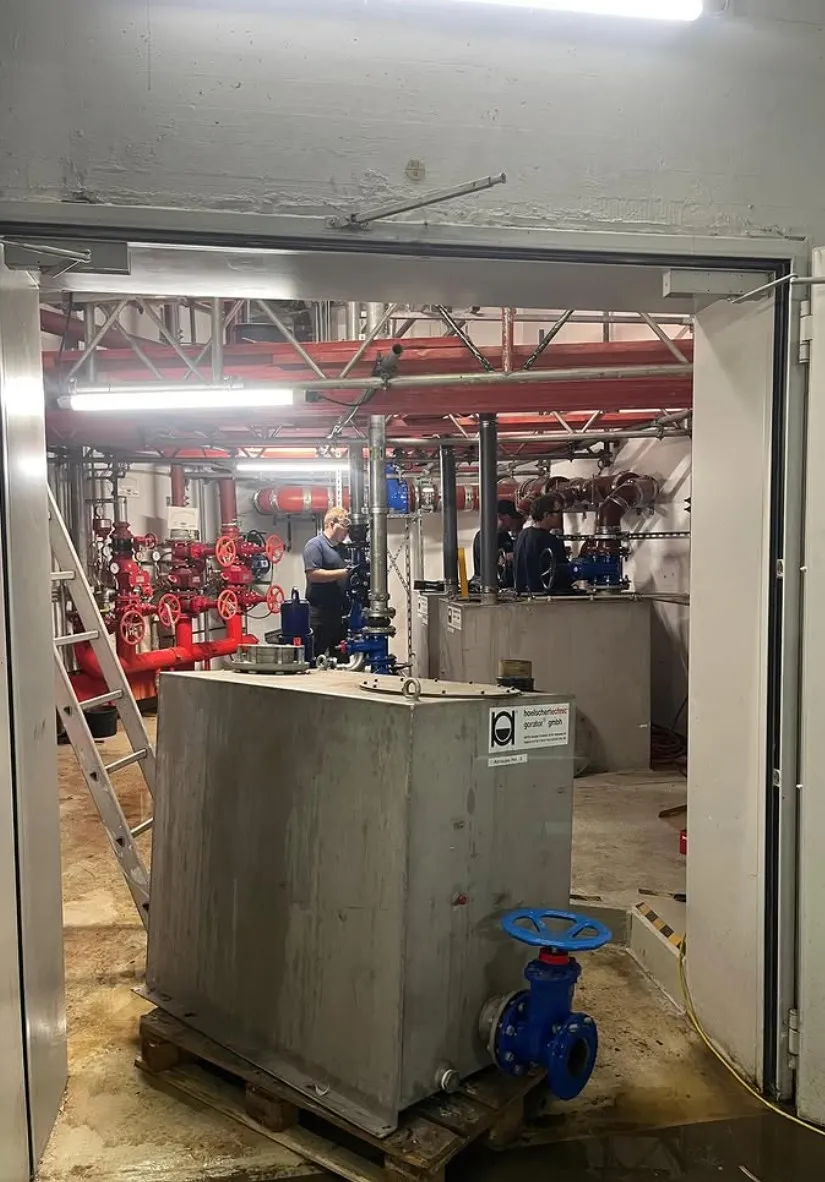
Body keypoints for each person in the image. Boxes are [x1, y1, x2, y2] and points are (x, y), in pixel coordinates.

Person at [303, 506, 351, 658]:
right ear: (331, 524)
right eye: (343, 527)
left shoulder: (344, 549)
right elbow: (313, 574)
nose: (346, 532)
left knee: (342, 659)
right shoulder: (315, 545)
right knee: (315, 657)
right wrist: (345, 573)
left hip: (341, 614)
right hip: (319, 615)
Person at [513, 494, 574, 595]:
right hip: (545, 599)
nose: (561, 515)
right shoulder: (549, 540)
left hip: (524, 596)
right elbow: (562, 574)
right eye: (558, 512)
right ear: (546, 515)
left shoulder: (522, 535)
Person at [472, 499, 523, 587]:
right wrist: (510, 556)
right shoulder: (486, 536)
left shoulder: (504, 535)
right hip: (490, 585)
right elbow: (495, 561)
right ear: (501, 517)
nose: (514, 522)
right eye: (512, 518)